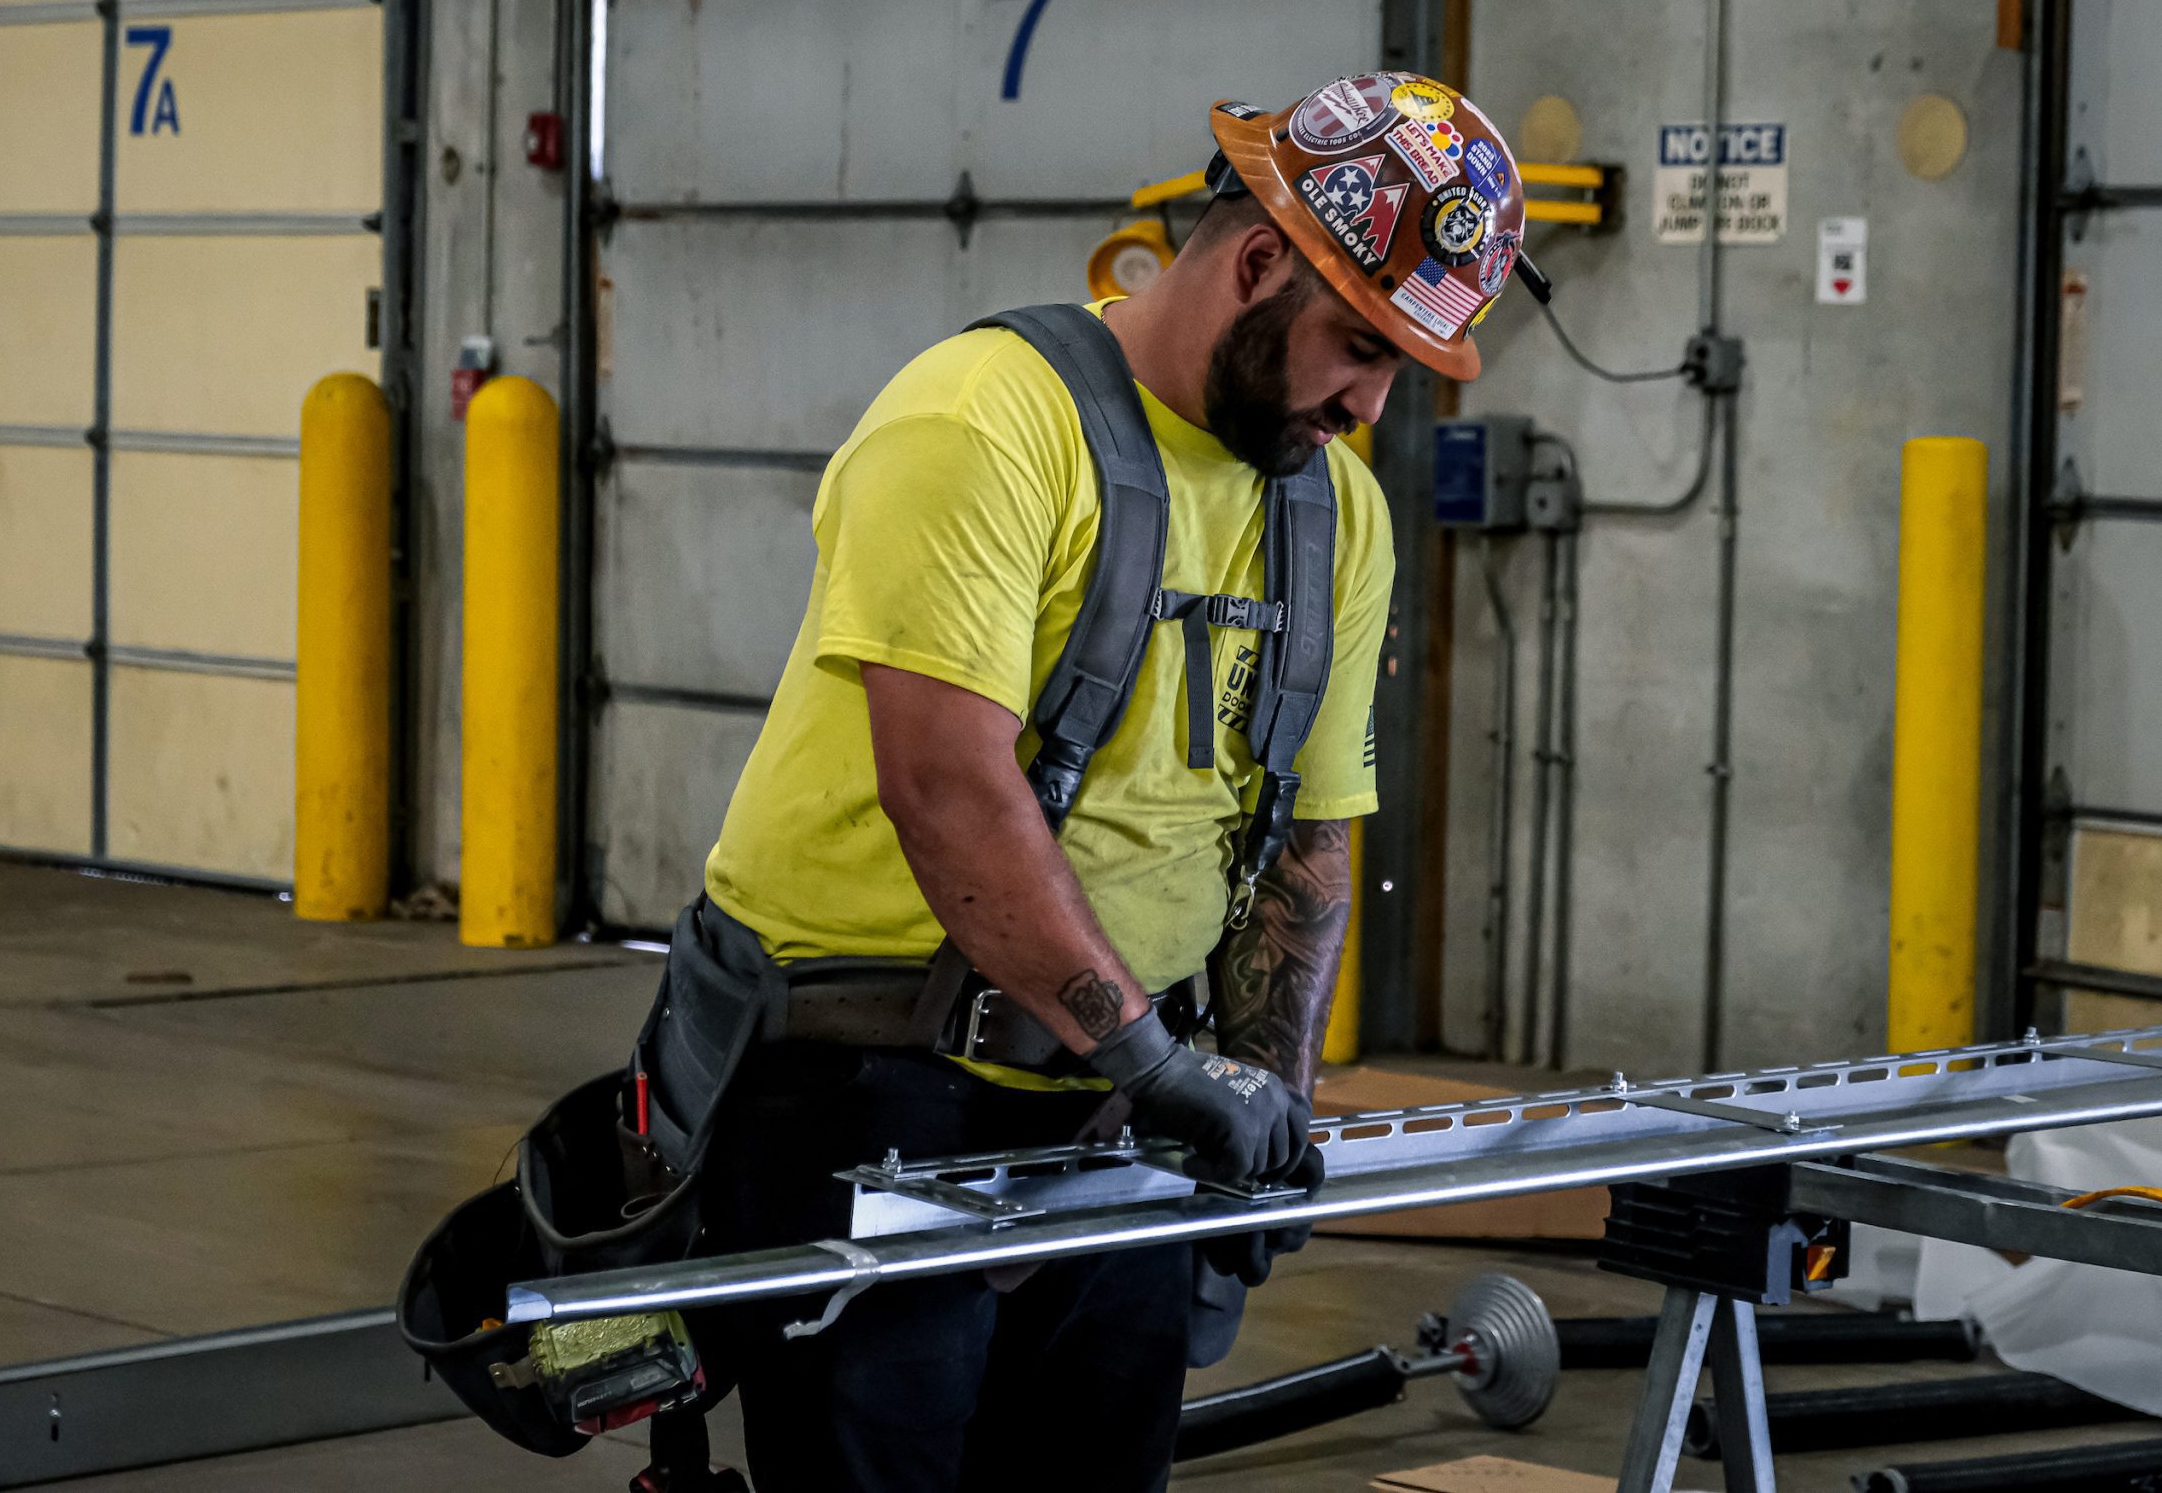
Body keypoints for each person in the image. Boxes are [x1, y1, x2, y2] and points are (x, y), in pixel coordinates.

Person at [653, 73, 1527, 1492]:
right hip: (868, 1085)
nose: (1370, 404)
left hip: (1123, 1113)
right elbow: (949, 791)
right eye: (1358, 348)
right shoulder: (985, 422)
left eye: (1400, 373)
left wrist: (1270, 1120)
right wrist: (1169, 1071)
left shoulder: (1331, 510)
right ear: (1255, 264)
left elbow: (1308, 833)